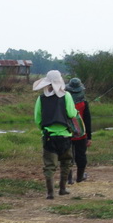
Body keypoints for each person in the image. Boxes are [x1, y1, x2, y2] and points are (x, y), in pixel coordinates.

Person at [33, 70, 78, 199]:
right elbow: (71, 114)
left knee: (49, 166)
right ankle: (63, 189)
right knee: (66, 163)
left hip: (48, 137)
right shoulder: (67, 95)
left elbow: (38, 119)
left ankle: (50, 193)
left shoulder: (41, 98)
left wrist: (44, 129)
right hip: (65, 136)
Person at [65, 78, 92, 184]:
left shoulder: (64, 101)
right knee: (81, 155)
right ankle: (80, 177)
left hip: (66, 133)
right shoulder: (84, 103)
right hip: (81, 134)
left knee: (67, 156)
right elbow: (87, 120)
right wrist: (89, 137)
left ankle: (69, 179)